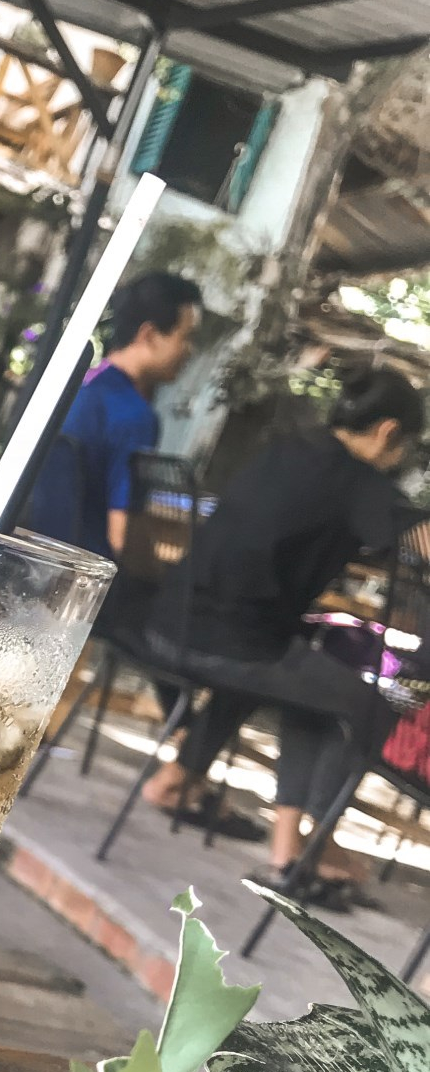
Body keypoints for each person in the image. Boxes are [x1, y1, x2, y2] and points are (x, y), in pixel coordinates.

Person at [142, 366, 430, 898]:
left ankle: (176, 781)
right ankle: (304, 850)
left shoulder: (287, 448)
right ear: (388, 431)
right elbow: (423, 542)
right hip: (232, 645)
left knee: (295, 677)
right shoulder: (357, 481)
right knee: (361, 703)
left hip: (166, 624)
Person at [23, 271, 202, 559]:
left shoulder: (76, 389)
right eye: (186, 337)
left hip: (36, 555)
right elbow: (120, 537)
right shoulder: (134, 416)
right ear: (149, 335)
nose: (190, 351)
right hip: (87, 568)